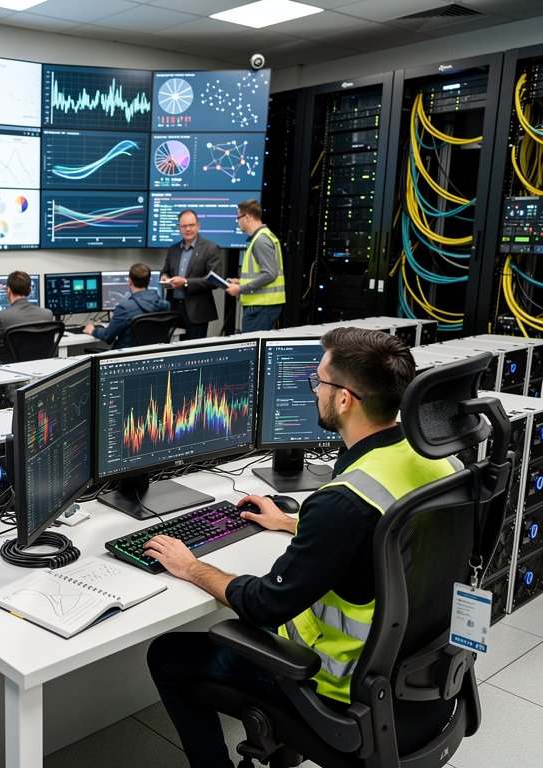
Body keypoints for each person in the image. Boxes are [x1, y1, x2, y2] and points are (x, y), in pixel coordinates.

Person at [143, 327, 458, 768]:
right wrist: (293, 522)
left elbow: (264, 605)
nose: (314, 392)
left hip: (339, 689)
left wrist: (191, 566)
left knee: (167, 655)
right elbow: (386, 535)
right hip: (426, 683)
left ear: (345, 399)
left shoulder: (341, 503)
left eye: (318, 382)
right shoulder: (438, 459)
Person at [159, 209, 224, 340]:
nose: (188, 229)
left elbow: (214, 281)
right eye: (184, 226)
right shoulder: (173, 249)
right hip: (173, 308)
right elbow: (165, 270)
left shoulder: (211, 248)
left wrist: (186, 282)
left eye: (191, 225)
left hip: (197, 311)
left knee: (192, 352)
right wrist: (164, 276)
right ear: (179, 228)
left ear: (198, 225)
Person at [226, 199, 285, 332]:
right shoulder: (263, 237)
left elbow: (270, 273)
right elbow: (264, 273)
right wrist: (240, 281)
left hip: (261, 308)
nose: (237, 221)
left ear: (247, 217)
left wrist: (240, 289)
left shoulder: (260, 241)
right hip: (262, 307)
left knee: (253, 351)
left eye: (238, 218)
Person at [0, 270, 53, 364]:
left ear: (8, 290)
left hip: (11, 373)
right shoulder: (47, 314)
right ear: (30, 290)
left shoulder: (0, 317)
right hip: (41, 372)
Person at [83, 263, 170, 349]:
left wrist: (93, 330)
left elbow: (108, 336)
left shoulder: (125, 308)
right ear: (150, 281)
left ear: (130, 282)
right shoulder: (164, 305)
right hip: (152, 355)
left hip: (125, 356)